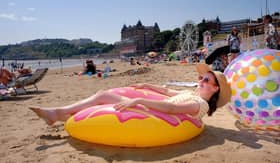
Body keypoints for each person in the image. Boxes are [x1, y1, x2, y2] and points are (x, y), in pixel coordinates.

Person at [29, 63, 232, 126]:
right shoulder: (192, 93)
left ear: (215, 89)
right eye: (201, 78)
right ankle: (62, 114)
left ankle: (57, 114)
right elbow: (167, 91)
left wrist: (139, 99)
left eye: (206, 80)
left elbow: (172, 108)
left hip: (154, 115)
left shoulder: (201, 105)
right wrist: (147, 84)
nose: (201, 81)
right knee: (102, 95)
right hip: (153, 108)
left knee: (103, 95)